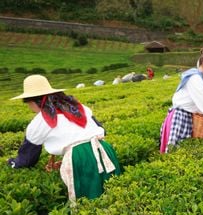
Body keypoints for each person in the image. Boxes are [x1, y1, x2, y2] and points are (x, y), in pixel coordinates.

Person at [7, 75, 122, 206]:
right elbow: (101, 129)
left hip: (81, 159)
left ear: (32, 102)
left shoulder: (40, 121)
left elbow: (27, 158)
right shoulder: (79, 108)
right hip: (105, 150)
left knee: (88, 204)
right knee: (113, 197)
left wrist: (13, 163)